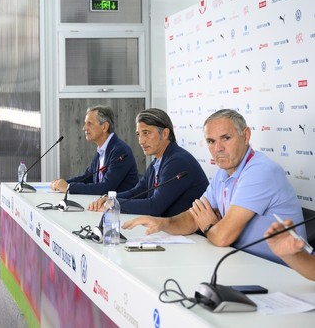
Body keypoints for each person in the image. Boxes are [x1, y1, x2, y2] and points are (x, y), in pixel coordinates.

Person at [122, 109, 306, 264]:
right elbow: (193, 218)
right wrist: (162, 223)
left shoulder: (261, 171)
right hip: (239, 261)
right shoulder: (222, 172)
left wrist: (210, 225)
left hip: (276, 270)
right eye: (211, 141)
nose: (218, 148)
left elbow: (222, 236)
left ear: (246, 135)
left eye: (225, 138)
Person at [87, 108, 208, 217]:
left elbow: (155, 206)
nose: (141, 141)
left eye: (146, 133)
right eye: (139, 134)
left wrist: (113, 205)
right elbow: (138, 192)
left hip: (193, 237)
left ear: (165, 133)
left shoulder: (178, 162)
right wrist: (110, 198)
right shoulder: (158, 161)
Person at [50, 105, 139, 195]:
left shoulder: (120, 151)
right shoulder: (102, 149)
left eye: (90, 123)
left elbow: (106, 187)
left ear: (104, 127)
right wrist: (62, 183)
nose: (84, 128)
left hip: (120, 207)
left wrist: (69, 187)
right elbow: (88, 177)